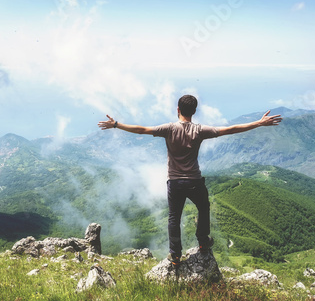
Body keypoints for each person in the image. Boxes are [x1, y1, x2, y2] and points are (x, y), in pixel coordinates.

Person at [98, 95, 282, 266]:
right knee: (203, 208)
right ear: (194, 111)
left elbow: (141, 130)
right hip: (194, 181)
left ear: (178, 109)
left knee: (173, 217)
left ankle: (175, 255)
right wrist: (259, 123)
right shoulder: (200, 130)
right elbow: (230, 130)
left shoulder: (168, 129)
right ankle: (203, 242)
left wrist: (116, 124)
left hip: (175, 182)